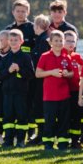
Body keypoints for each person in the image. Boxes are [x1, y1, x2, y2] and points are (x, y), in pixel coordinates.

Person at [35, 30, 73, 150]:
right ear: (50, 42)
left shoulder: (66, 57)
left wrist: (68, 73)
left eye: (61, 40)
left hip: (64, 95)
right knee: (50, 120)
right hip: (49, 96)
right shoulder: (45, 56)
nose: (58, 43)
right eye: (55, 41)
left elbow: (72, 73)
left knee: (64, 120)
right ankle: (48, 143)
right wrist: (51, 72)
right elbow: (38, 74)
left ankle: (62, 143)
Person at [0, 29, 35, 148]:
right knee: (8, 116)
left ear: (21, 41)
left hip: (21, 93)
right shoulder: (4, 58)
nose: (13, 42)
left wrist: (20, 70)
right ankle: (8, 140)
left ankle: (20, 140)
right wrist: (8, 71)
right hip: (7, 93)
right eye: (11, 40)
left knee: (21, 116)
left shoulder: (25, 57)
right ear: (8, 41)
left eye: (16, 40)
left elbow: (30, 74)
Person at [5, 0, 37, 140]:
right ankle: (10, 136)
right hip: (11, 76)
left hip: (28, 71)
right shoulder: (8, 30)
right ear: (13, 12)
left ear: (28, 12)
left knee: (29, 103)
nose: (20, 13)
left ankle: (30, 131)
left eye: (23, 11)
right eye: (18, 11)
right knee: (12, 107)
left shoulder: (32, 28)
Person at [28, 14, 51, 146]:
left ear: (38, 26)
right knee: (38, 107)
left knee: (40, 107)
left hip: (41, 80)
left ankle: (42, 134)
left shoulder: (44, 41)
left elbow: (40, 62)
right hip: (39, 80)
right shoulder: (40, 39)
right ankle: (41, 133)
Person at [64, 30, 83, 149]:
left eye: (73, 41)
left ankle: (75, 140)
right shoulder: (59, 55)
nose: (71, 43)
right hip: (63, 91)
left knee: (76, 116)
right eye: (68, 41)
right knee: (65, 116)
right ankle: (64, 139)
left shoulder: (77, 57)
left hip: (76, 91)